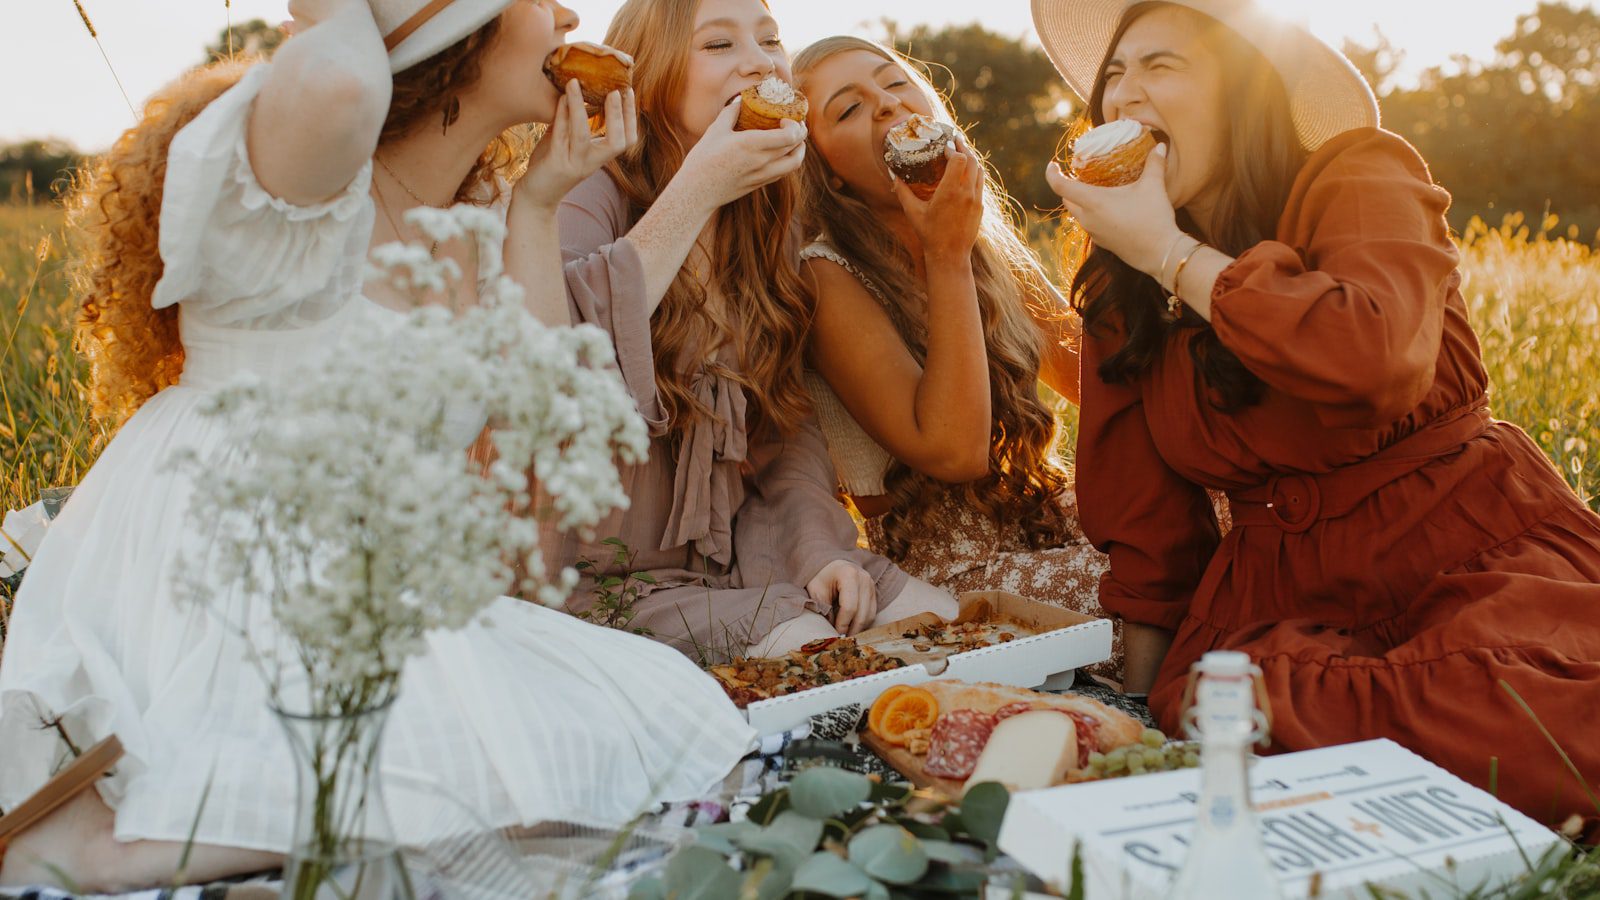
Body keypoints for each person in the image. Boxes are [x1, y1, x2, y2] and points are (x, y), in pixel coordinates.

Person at [0, 0, 758, 890]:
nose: (567, 12)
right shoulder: (302, 170)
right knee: (437, 773)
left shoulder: (473, 220)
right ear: (457, 25)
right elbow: (342, 71)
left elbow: (546, 411)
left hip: (364, 579)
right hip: (223, 547)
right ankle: (85, 842)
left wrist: (541, 199)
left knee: (667, 720)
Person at [1036, 0, 1600, 820]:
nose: (1123, 95)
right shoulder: (1124, 286)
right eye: (1113, 75)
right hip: (1285, 600)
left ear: (1246, 89)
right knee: (1220, 716)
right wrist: (1135, 715)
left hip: (1465, 547)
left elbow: (1371, 360)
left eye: (1163, 66)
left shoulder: (1361, 176)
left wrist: (1171, 252)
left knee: (1522, 717)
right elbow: (1150, 526)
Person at [556, 0, 958, 663]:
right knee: (817, 650)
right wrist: (698, 189)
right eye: (718, 45)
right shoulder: (588, 191)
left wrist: (819, 555)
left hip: (743, 563)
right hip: (600, 582)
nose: (760, 61)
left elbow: (786, 437)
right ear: (653, 74)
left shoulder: (768, 220)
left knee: (941, 623)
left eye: (770, 39)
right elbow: (559, 358)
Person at [790, 37, 1119, 679]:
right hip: (956, 571)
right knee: (1166, 577)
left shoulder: (980, 238)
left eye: (895, 84)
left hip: (1047, 517)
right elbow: (954, 450)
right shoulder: (827, 276)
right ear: (824, 168)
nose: (888, 107)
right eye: (849, 109)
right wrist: (947, 257)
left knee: (1237, 510)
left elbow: (1096, 379)